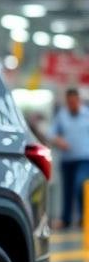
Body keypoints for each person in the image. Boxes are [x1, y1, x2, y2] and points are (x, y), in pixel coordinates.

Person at [49, 88, 89, 230]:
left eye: (74, 102)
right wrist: (58, 140)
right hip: (67, 159)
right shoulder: (62, 115)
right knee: (67, 190)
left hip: (84, 158)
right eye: (69, 102)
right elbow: (51, 133)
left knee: (80, 185)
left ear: (78, 100)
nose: (72, 105)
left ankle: (83, 217)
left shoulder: (87, 114)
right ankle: (66, 220)